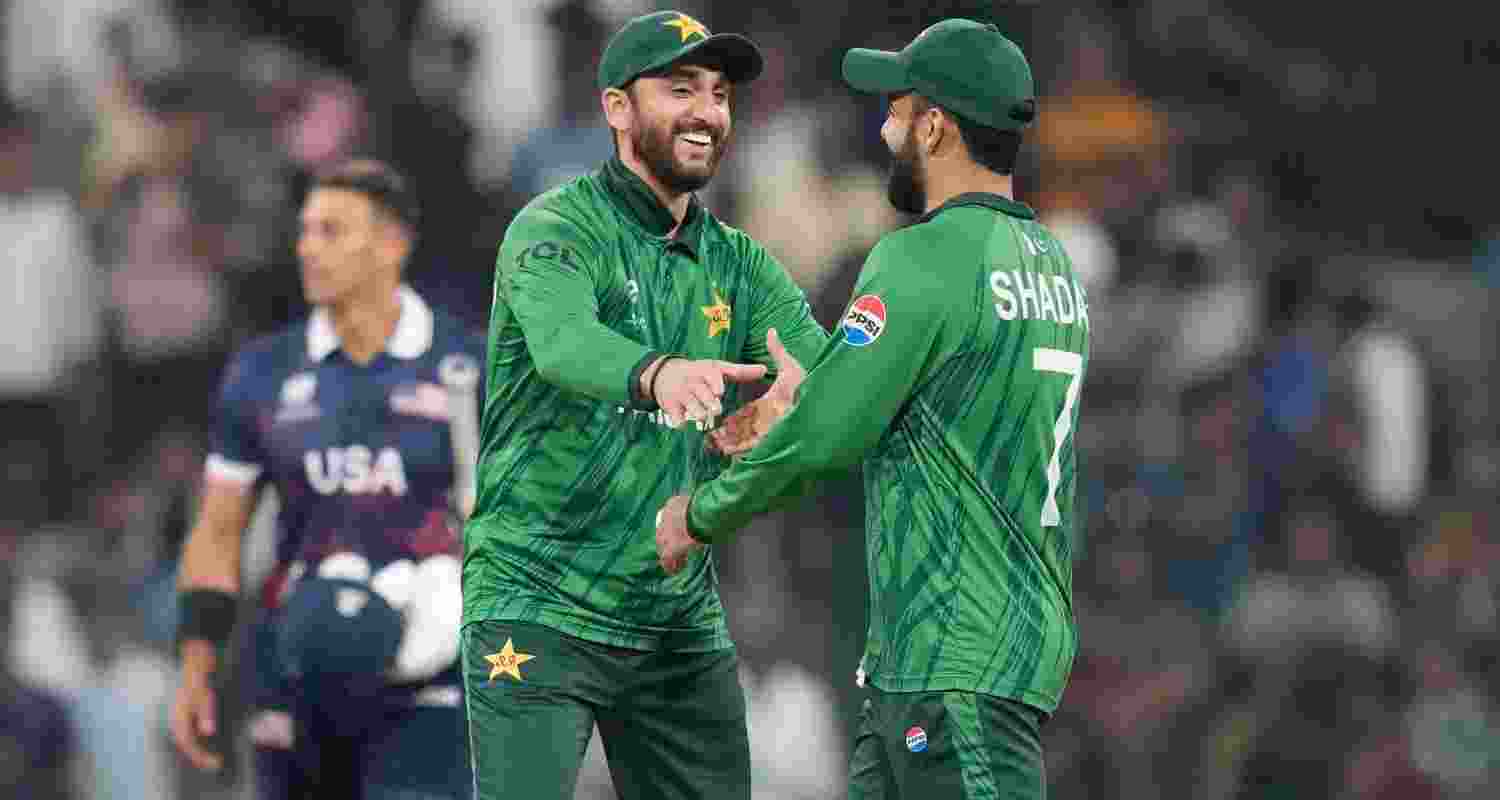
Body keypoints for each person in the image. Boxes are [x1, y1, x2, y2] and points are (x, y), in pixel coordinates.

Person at [657, 19, 1091, 799]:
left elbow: (827, 438)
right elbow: (920, 401)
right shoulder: (1054, 266)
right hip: (968, 646)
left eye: (898, 108)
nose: (885, 128)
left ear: (935, 125)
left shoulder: (922, 255)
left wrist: (699, 516)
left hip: (955, 651)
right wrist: (801, 397)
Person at [459, 10, 828, 800]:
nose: (707, 112)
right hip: (538, 600)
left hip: (673, 616)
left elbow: (824, 380)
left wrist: (789, 410)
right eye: (680, 88)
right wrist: (660, 374)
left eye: (720, 94)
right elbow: (561, 344)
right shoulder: (555, 229)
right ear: (617, 108)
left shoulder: (740, 263)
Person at [169, 159, 484, 799]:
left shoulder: (469, 366)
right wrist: (198, 663)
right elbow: (219, 529)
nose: (308, 247)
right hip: (296, 663)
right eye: (305, 230)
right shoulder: (261, 373)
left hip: (429, 671)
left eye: (332, 231)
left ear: (393, 244)